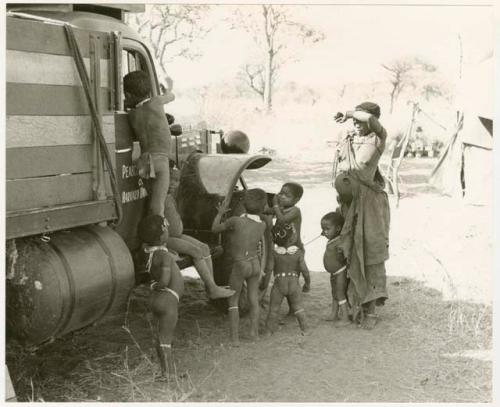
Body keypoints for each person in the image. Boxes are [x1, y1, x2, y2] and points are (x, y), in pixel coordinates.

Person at [333, 101, 390, 329]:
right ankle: (353, 306)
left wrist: (347, 113)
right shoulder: (348, 138)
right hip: (348, 205)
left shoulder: (379, 138)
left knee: (371, 253)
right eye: (353, 120)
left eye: (360, 119)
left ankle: (372, 310)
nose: (355, 123)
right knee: (348, 252)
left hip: (371, 206)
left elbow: (370, 121)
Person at [164, 166, 234, 299]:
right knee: (196, 251)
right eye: (170, 179)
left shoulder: (169, 197)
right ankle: (212, 288)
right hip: (168, 237)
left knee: (204, 247)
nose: (173, 183)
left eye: (176, 180)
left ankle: (211, 287)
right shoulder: (161, 197)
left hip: (176, 234)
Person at [211, 188, 268, 346]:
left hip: (240, 264)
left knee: (233, 301)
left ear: (243, 203)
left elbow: (215, 229)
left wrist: (220, 213)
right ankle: (253, 333)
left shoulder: (235, 221)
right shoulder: (262, 225)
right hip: (254, 263)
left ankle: (235, 339)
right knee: (253, 299)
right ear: (263, 207)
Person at [137, 214, 184, 378]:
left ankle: (166, 371)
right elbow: (164, 281)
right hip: (168, 299)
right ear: (162, 234)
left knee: (161, 336)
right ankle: (168, 374)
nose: (168, 230)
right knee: (166, 339)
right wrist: (157, 285)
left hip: (158, 299)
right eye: (166, 227)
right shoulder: (164, 256)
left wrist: (153, 286)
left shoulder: (151, 252)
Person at [124, 70, 175, 217]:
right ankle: (157, 236)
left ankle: (150, 230)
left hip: (145, 161)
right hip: (160, 160)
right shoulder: (156, 102)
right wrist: (169, 89)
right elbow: (172, 96)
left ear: (128, 95)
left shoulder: (132, 115)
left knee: (150, 201)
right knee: (158, 206)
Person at [265, 216, 310, 336]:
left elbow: (269, 269)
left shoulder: (275, 254)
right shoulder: (298, 253)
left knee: (274, 309)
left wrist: (264, 283)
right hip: (294, 284)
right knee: (299, 308)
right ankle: (305, 329)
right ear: (291, 239)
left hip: (279, 284)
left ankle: (269, 331)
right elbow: (305, 270)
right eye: (294, 233)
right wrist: (307, 283)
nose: (295, 235)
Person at [321, 211, 350, 326]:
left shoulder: (340, 241)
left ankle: (346, 318)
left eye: (327, 229)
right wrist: (325, 231)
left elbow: (347, 253)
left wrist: (343, 252)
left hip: (340, 272)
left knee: (340, 293)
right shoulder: (332, 239)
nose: (324, 232)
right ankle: (334, 313)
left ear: (338, 228)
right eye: (323, 229)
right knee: (334, 293)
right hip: (333, 273)